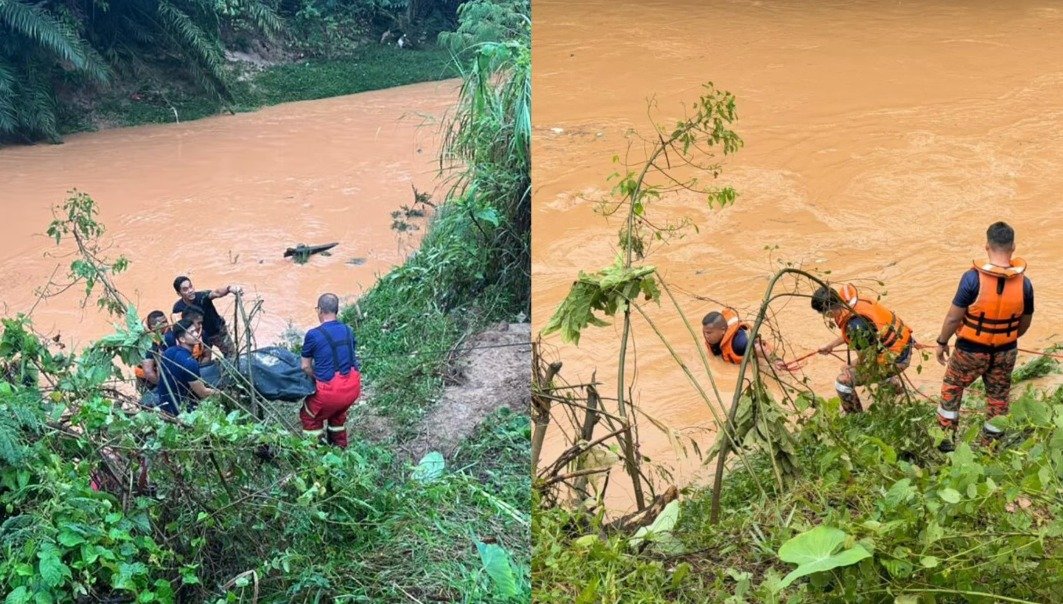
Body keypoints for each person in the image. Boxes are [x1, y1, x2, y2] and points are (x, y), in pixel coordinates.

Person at [934, 222, 1034, 452]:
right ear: (1013, 247)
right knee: (998, 398)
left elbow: (952, 318)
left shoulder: (972, 279)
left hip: (970, 350)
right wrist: (1005, 338)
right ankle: (991, 448)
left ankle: (945, 446)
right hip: (1005, 351)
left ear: (987, 246)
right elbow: (1025, 323)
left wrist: (941, 342)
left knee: (952, 387)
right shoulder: (1025, 285)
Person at [811, 284, 915, 414]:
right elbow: (854, 334)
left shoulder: (855, 325)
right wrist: (831, 345)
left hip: (898, 358)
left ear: (830, 312)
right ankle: (894, 388)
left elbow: (865, 361)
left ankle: (857, 419)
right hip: (901, 345)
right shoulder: (852, 304)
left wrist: (848, 366)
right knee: (868, 363)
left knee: (842, 382)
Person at [299, 293, 362, 447]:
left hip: (330, 391)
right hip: (353, 388)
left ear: (320, 310)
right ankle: (340, 447)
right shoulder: (348, 330)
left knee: (309, 415)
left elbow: (305, 366)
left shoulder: (313, 334)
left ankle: (316, 450)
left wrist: (315, 377)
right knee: (337, 414)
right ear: (337, 310)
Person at [156, 318, 218, 416]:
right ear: (182, 339)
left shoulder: (169, 351)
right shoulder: (190, 363)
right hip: (181, 410)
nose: (197, 334)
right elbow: (203, 393)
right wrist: (222, 394)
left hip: (164, 404)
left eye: (196, 331)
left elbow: (160, 374)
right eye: (191, 332)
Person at [171, 276, 241, 358]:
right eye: (185, 289)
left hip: (217, 331)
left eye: (191, 286)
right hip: (199, 338)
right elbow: (180, 327)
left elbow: (217, 293)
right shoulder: (178, 308)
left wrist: (229, 288)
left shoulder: (202, 297)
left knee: (232, 355)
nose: (190, 291)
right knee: (203, 361)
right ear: (179, 294)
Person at [701, 308, 782, 367]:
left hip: (758, 357)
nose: (706, 336)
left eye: (709, 333)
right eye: (704, 332)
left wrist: (776, 361)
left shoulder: (739, 341)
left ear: (722, 330)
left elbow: (758, 348)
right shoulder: (713, 336)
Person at [136, 310, 170, 390]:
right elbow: (148, 373)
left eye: (166, 321)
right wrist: (163, 385)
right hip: (149, 381)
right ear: (153, 327)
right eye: (163, 323)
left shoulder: (161, 336)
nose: (167, 324)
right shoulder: (149, 344)